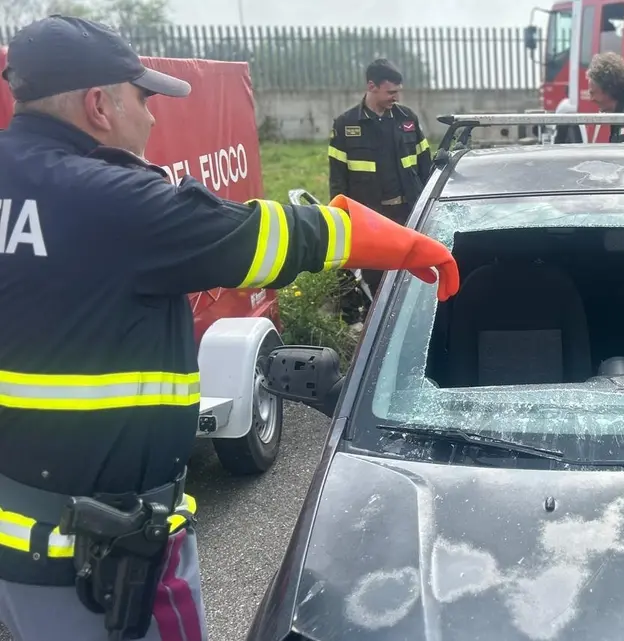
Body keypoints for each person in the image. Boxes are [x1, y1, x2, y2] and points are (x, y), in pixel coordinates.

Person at [0, 15, 459, 641]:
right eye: (144, 97)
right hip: (104, 562)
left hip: (19, 543)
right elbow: (263, 239)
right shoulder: (108, 200)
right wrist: (409, 248)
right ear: (98, 104)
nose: (154, 116)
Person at [329, 58, 434, 296]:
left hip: (408, 213)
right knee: (376, 277)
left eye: (398, 92)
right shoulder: (346, 125)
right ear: (371, 86)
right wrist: (340, 216)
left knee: (413, 272)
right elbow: (337, 179)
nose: (395, 97)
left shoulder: (407, 119)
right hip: (371, 217)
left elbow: (425, 166)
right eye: (391, 92)